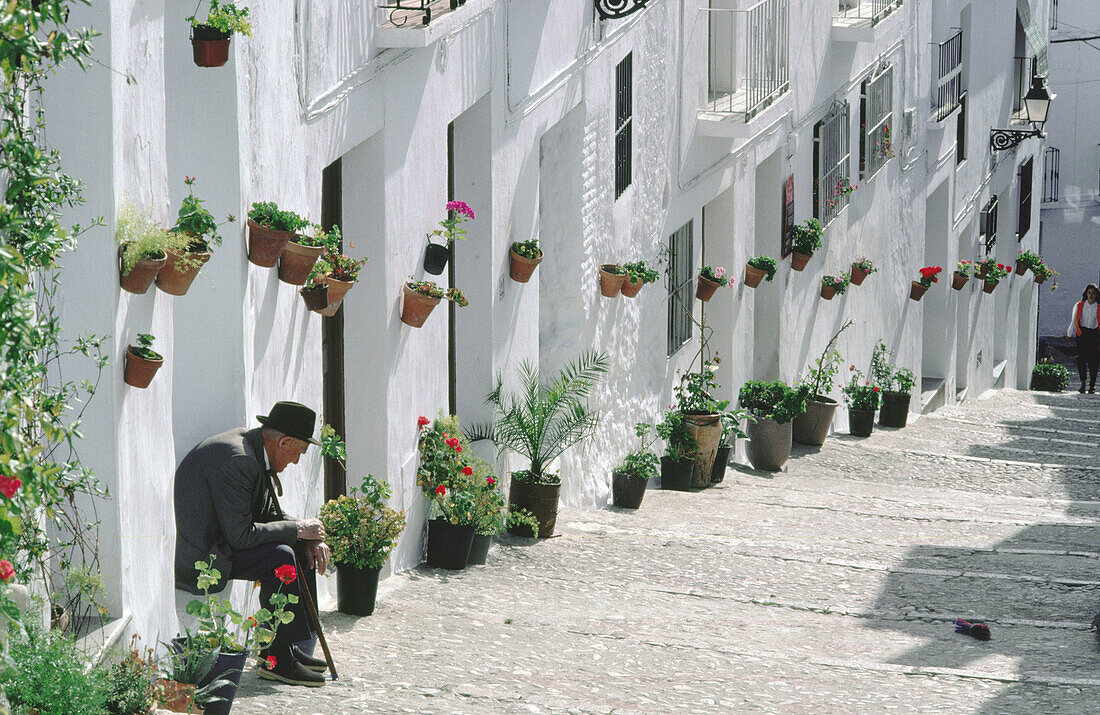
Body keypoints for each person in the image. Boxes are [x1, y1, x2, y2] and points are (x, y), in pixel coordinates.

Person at [174, 401, 332, 687]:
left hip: (223, 542)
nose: (295, 461)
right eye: (298, 453)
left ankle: (286, 647)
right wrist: (298, 529)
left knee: (297, 546)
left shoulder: (252, 450)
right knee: (281, 555)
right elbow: (242, 536)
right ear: (284, 442)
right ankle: (277, 660)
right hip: (207, 555)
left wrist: (308, 535)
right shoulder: (240, 459)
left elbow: (265, 515)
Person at [1067, 284, 1100, 393]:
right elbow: (1074, 319)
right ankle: (1082, 383)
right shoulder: (1080, 305)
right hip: (1083, 334)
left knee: (1094, 361)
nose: (1091, 295)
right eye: (1089, 293)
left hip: (1095, 335)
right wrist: (1069, 333)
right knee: (1081, 359)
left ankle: (1092, 385)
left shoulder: (1098, 307)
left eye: (1093, 293)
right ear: (1086, 294)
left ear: (1096, 295)